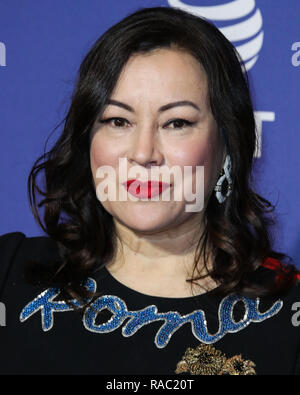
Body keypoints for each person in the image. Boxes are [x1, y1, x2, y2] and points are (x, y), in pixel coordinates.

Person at [0, 6, 299, 376]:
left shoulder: (288, 315)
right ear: (87, 140)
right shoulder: (8, 273)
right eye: (118, 120)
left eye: (176, 123)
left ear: (226, 146)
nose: (143, 153)